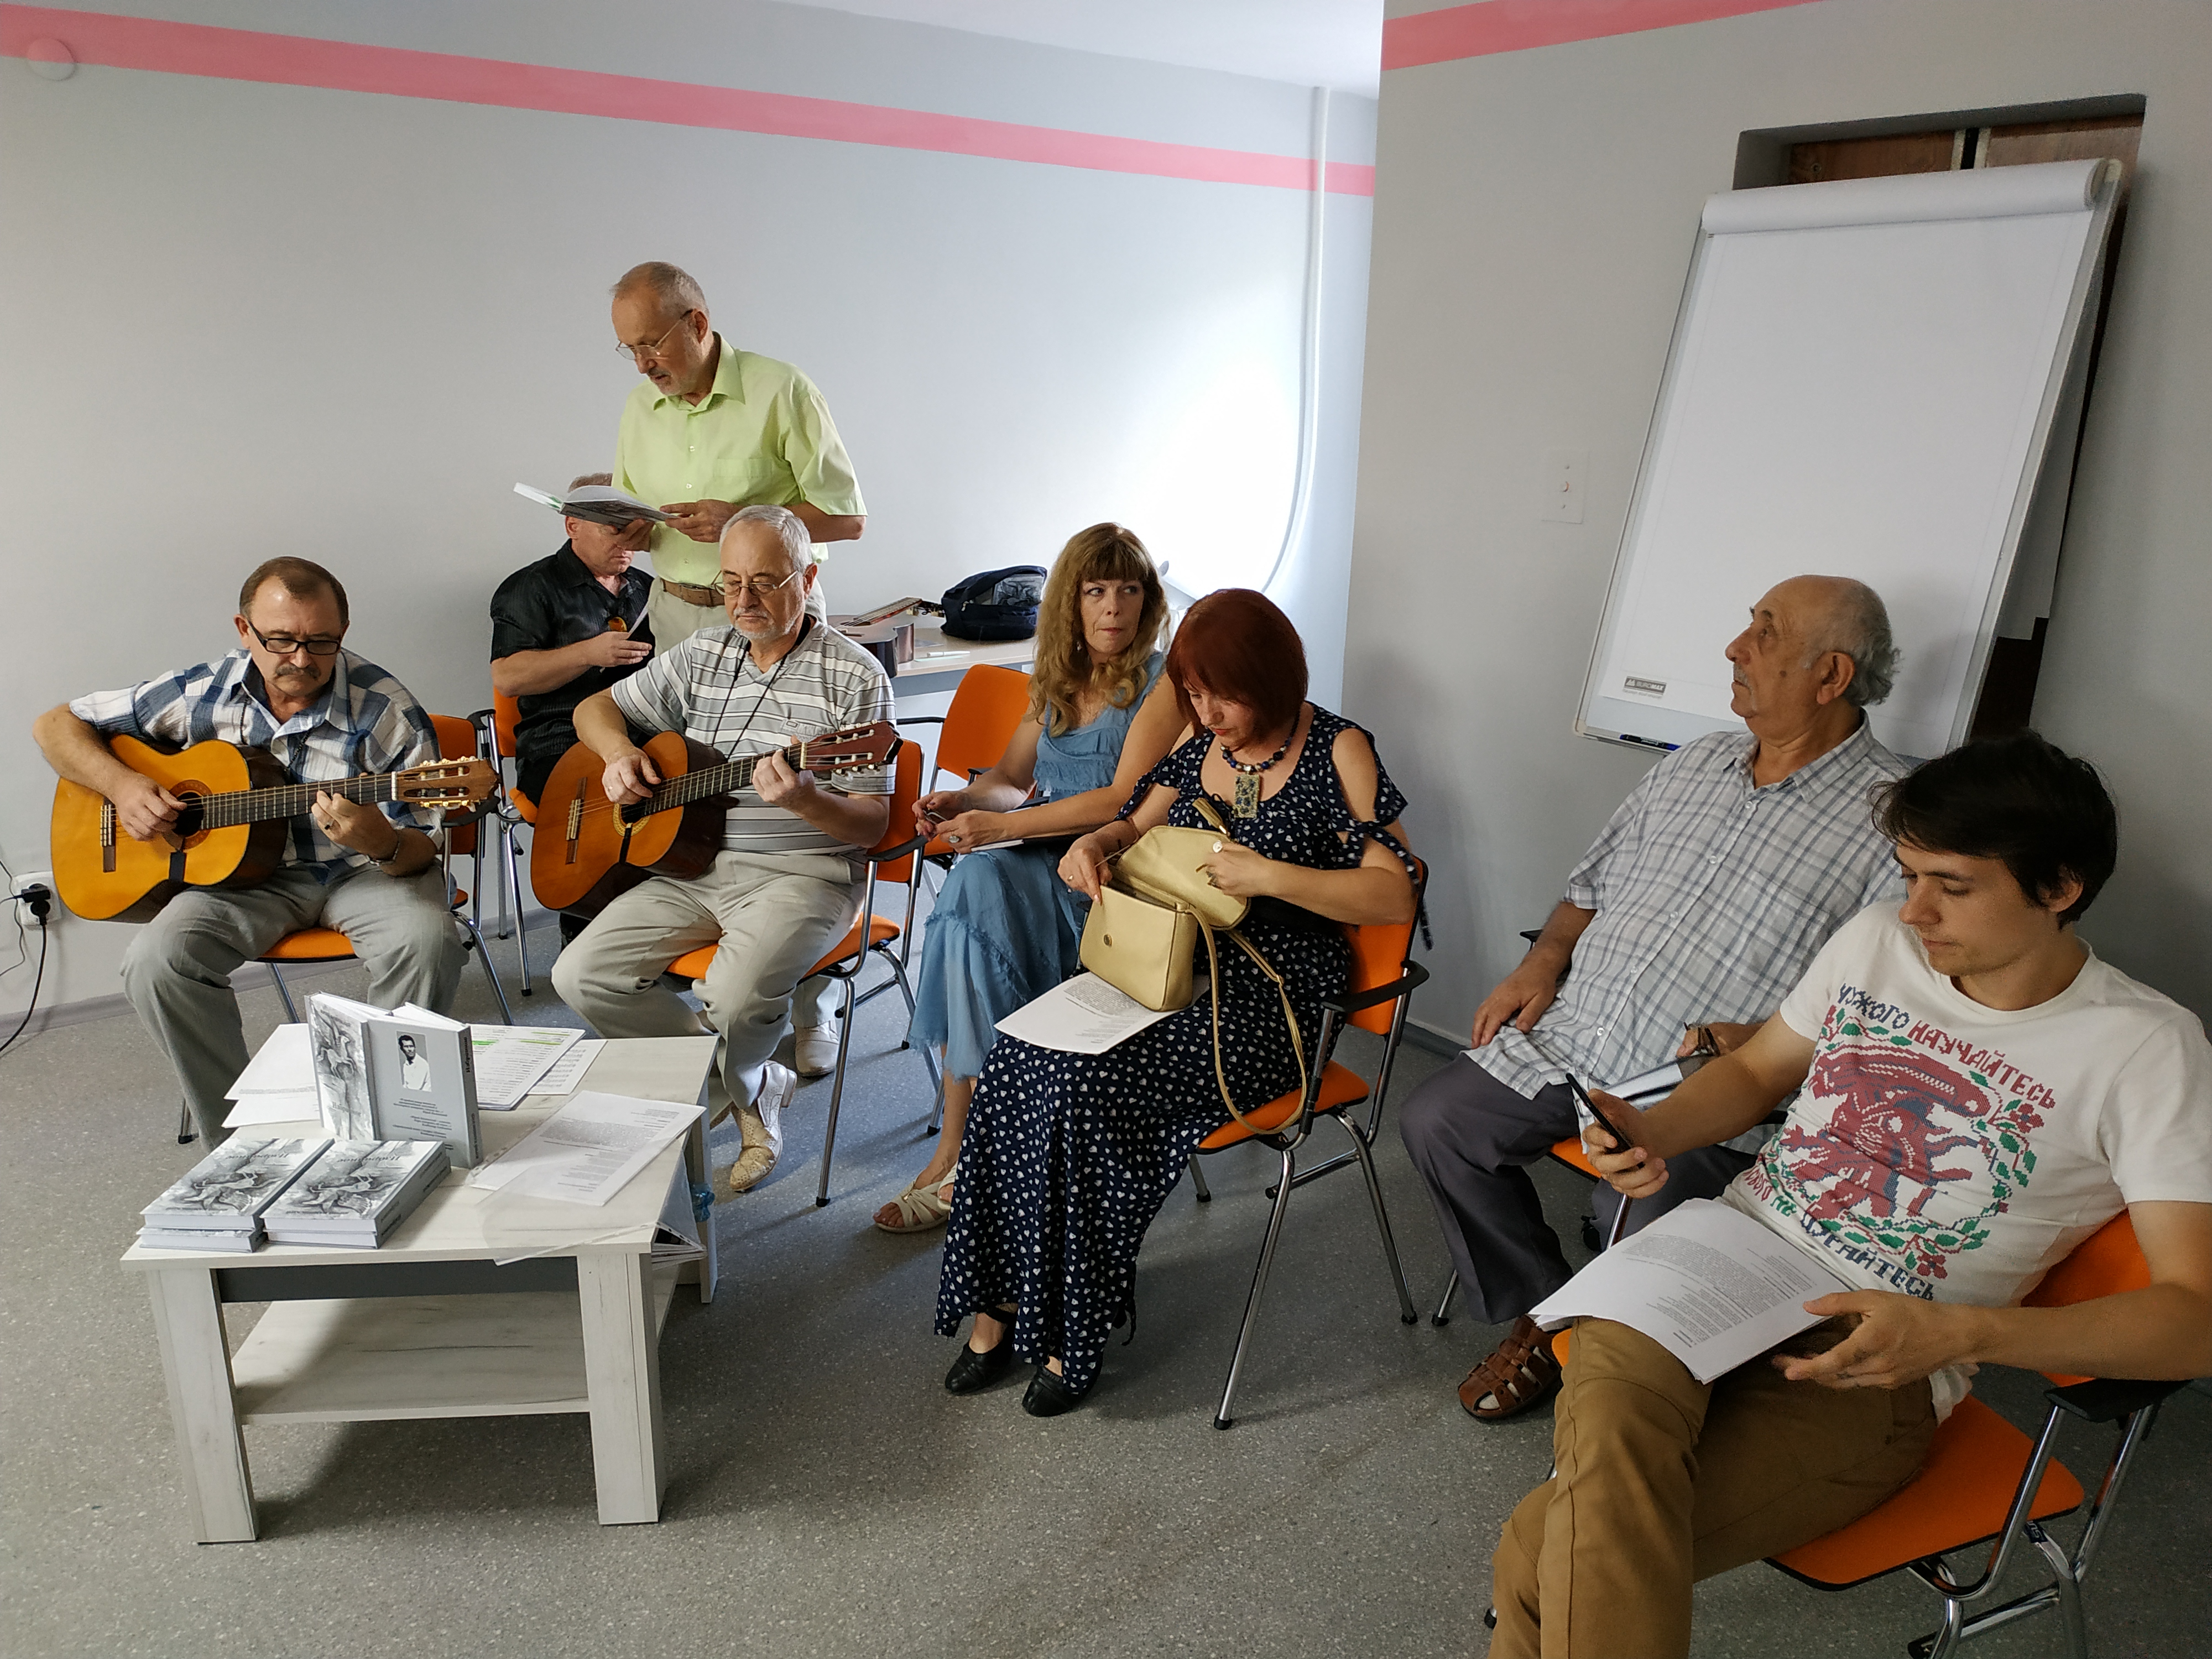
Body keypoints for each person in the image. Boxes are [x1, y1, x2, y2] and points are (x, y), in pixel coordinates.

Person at [1489, 732, 2212, 1659]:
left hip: (1881, 1352)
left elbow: (2194, 1319)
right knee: (1582, 1499)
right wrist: (1654, 1130)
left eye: (1952, 886)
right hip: (1716, 1260)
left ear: (2061, 887)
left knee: (1541, 1549)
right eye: (1908, 875)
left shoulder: (2147, 1048)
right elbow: (1758, 1070)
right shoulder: (1878, 940)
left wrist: (1965, 1334)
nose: (1915, 911)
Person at [1400, 575, 1911, 1422]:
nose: (1735, 648)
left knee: (1640, 1209)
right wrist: (1545, 958)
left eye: (1765, 633)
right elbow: (1590, 884)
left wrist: (1757, 1037)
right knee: (1437, 1122)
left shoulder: (1894, 818)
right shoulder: (1699, 761)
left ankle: (1597, 1348)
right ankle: (1551, 1314)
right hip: (1574, 1036)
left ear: (1831, 676)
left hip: (1705, 1090)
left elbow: (1883, 1006)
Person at [934, 590, 1419, 1414]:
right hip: (1176, 966)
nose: (1210, 714)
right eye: (1194, 695)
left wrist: (1269, 876)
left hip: (1277, 999)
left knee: (1086, 1088)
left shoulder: (1338, 748)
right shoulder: (1204, 744)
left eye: (1225, 697)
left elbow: (1394, 892)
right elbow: (1131, 824)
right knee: (1018, 1055)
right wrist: (1092, 845)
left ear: (1274, 679)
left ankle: (1071, 1326)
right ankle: (1001, 1303)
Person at [33, 558, 464, 1145]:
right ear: (244, 630)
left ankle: (386, 1131)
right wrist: (123, 786)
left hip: (363, 873)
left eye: (321, 641)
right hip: (244, 880)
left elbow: (422, 848)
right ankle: (239, 1143)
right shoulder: (200, 692)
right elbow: (55, 725)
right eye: (281, 640)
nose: (302, 659)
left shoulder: (385, 709)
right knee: (156, 963)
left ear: (343, 630)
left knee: (428, 941)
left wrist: (382, 841)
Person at [551, 505, 893, 1193]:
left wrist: (806, 800)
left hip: (805, 873)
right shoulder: (703, 653)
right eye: (731, 581)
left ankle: (724, 1083)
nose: (743, 600)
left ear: (808, 579)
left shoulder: (856, 677)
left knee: (733, 1000)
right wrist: (617, 754)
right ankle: (753, 1084)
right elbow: (593, 710)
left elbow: (872, 826)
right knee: (580, 975)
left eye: (764, 582)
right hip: (693, 863)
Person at [874, 524, 1183, 1233]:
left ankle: (968, 1153)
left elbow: (1123, 800)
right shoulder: (1056, 680)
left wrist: (1001, 827)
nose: (1114, 608)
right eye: (1096, 591)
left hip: (1111, 873)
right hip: (1041, 853)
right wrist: (964, 799)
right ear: (1071, 601)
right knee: (970, 891)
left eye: (1128, 590)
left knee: (975, 886)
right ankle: (968, 1148)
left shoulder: (1161, 682)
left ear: (1147, 599)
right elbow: (1013, 779)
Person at [609, 261, 865, 653]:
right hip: (671, 618)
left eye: (652, 344)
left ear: (697, 324)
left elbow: (848, 520)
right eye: (631, 350)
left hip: (768, 615)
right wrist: (631, 533)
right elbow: (631, 510)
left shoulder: (783, 390)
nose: (643, 365)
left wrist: (740, 521)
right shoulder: (639, 406)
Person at [489, 470, 658, 942]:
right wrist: (587, 653)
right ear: (573, 526)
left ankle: (661, 932)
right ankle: (588, 932)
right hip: (558, 741)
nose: (626, 543)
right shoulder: (531, 587)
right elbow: (508, 677)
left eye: (635, 530)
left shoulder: (648, 587)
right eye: (614, 529)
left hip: (639, 732)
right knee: (610, 800)